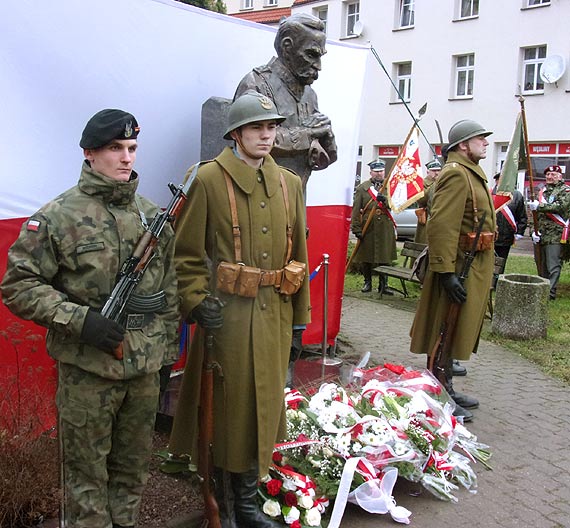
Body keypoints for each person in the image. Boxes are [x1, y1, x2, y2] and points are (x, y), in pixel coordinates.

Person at [1, 109, 180, 528]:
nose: (126, 158)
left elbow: (167, 292)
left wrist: (166, 352)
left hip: (142, 371)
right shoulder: (57, 217)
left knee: (132, 474)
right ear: (89, 153)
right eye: (115, 148)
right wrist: (80, 320)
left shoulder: (152, 217)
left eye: (132, 148)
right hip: (87, 373)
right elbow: (18, 286)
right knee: (85, 481)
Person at [169, 91, 311, 528]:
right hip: (227, 319)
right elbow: (187, 255)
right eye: (256, 128)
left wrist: (299, 320)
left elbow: (300, 255)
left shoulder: (290, 183)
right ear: (236, 134)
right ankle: (225, 505)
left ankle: (248, 504)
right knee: (229, 411)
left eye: (271, 127)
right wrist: (195, 301)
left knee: (263, 408)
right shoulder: (208, 179)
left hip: (275, 314)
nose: (266, 135)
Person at [409, 119, 496, 422]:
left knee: (456, 329)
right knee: (443, 330)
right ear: (463, 145)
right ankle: (438, 392)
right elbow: (442, 226)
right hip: (458, 265)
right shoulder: (456, 175)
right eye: (480, 138)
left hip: (471, 263)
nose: (485, 143)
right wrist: (446, 272)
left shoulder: (469, 173)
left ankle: (446, 385)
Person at [233, 13, 337, 195]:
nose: (318, 66)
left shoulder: (309, 95)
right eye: (311, 55)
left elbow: (322, 159)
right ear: (287, 47)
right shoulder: (256, 84)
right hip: (261, 196)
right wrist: (309, 133)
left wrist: (326, 136)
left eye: (320, 57)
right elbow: (253, 140)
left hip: (297, 196)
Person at [351, 157, 398, 294]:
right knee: (367, 256)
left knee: (385, 256)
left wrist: (386, 201)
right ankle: (367, 283)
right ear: (371, 172)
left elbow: (395, 206)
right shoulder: (363, 188)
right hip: (368, 226)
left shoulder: (390, 187)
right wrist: (356, 228)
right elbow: (356, 210)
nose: (379, 174)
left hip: (385, 226)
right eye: (376, 171)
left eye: (381, 171)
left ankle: (384, 285)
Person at [528, 165, 570, 300]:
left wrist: (540, 206)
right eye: (548, 174)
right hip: (541, 234)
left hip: (555, 235)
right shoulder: (542, 192)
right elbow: (534, 216)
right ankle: (542, 289)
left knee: (553, 265)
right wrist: (532, 232)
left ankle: (550, 293)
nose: (550, 177)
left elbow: (560, 207)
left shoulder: (566, 191)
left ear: (560, 176)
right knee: (541, 263)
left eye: (553, 174)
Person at [492, 172, 528, 262]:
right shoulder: (488, 193)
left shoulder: (517, 196)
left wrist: (520, 232)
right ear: (496, 181)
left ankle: (498, 276)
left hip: (506, 236)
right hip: (489, 235)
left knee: (500, 262)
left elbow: (522, 216)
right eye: (500, 180)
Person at [414, 157, 443, 245]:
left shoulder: (444, 183)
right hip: (427, 219)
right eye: (434, 171)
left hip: (441, 217)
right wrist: (435, 185)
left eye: (439, 170)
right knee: (424, 243)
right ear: (427, 172)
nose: (437, 173)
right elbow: (422, 200)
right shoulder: (421, 184)